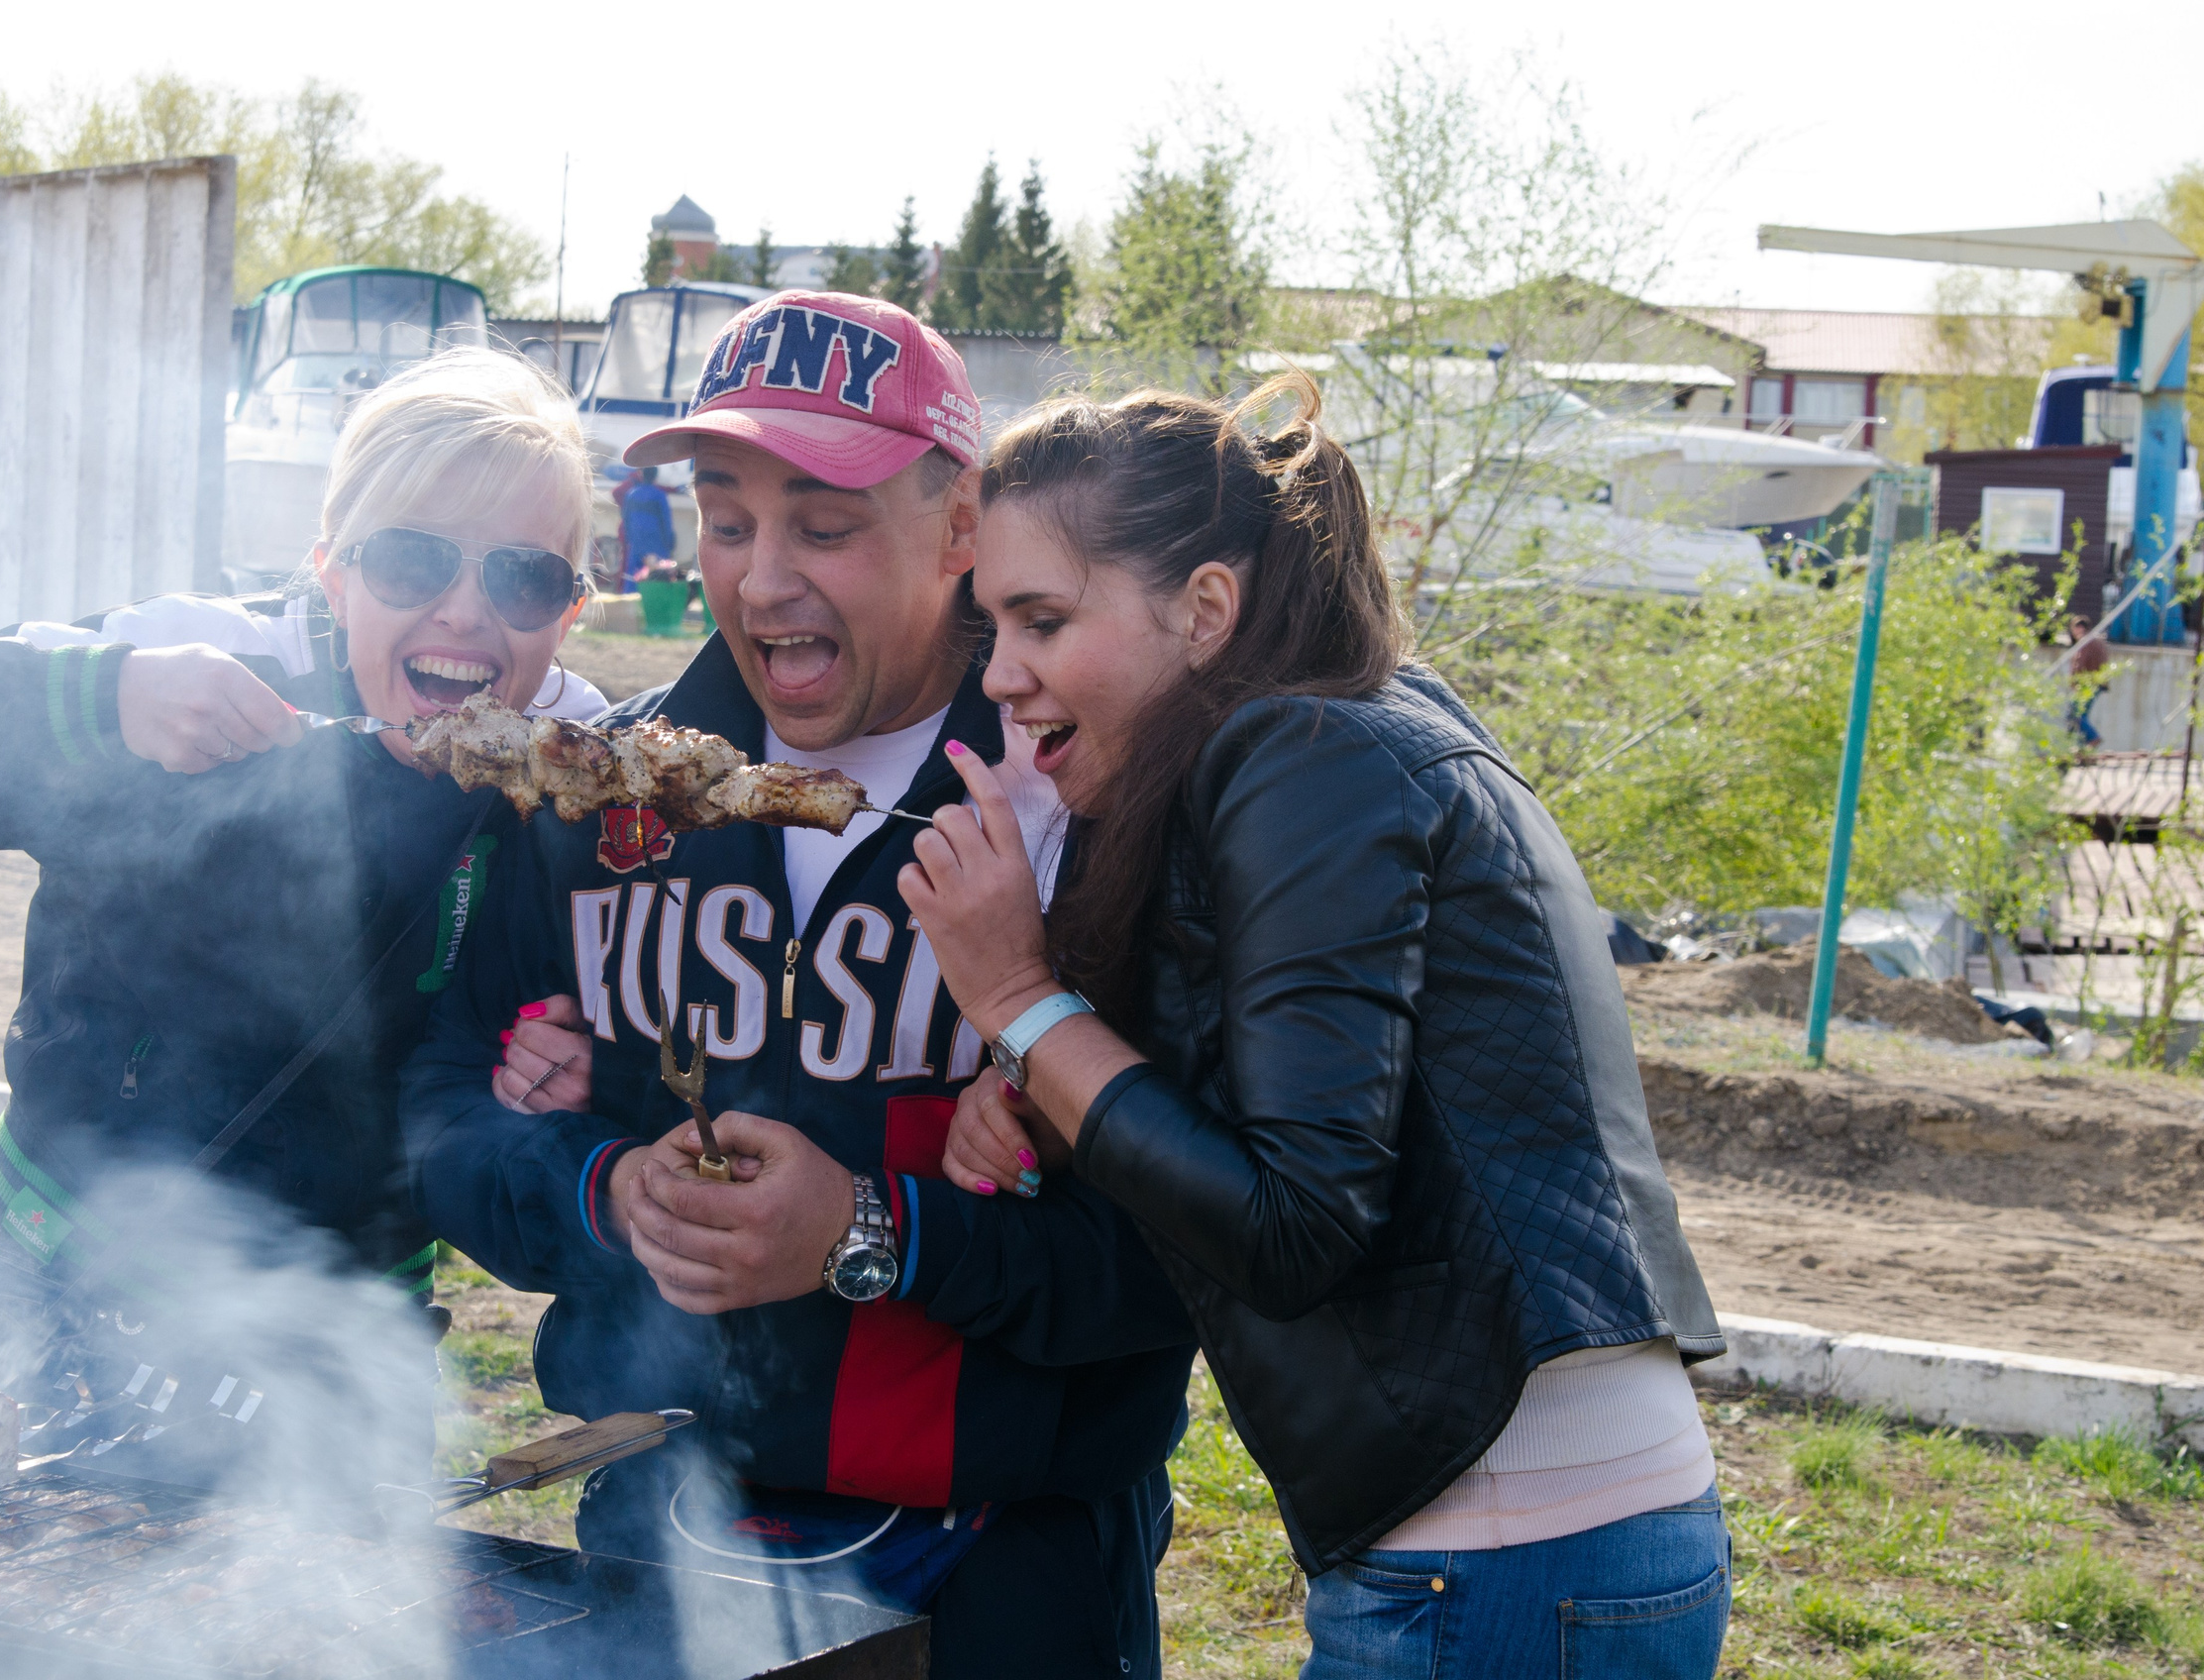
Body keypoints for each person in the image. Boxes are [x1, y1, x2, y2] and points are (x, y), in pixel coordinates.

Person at [398, 292, 1195, 1676]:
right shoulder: (603, 798)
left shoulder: (1091, 808)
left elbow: (1190, 1251)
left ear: (960, 531)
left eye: (824, 525)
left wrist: (872, 1231)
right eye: (725, 518)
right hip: (659, 1513)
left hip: (1005, 1563)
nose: (764, 579)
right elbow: (448, 1108)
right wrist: (603, 1190)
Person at [894, 377, 1732, 1680]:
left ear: (1206, 609)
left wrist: (1017, 1001)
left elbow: (1295, 1223)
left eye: (1042, 620)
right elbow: (1333, 1117)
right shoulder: (1367, 717)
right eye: (990, 625)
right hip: (1545, 1541)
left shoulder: (1302, 755)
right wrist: (1049, 1086)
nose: (1000, 675)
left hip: (1499, 1553)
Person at [0, 349, 605, 1482]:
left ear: (570, 609)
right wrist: (97, 704)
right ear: (332, 571)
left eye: (522, 579)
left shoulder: (587, 778)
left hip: (341, 1337)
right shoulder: (189, 665)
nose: (466, 613)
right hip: (52, 1281)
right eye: (413, 559)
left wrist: (540, 1080)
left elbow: (612, 1068)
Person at [618, 464, 677, 592]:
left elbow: (626, 519)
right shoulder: (660, 496)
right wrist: (670, 542)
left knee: (632, 575)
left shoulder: (631, 494)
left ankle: (630, 601)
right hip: (657, 543)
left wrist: (629, 539)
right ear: (655, 476)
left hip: (636, 542)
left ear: (641, 474)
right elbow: (666, 521)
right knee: (658, 574)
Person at [2068, 613, 2109, 747]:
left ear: (2079, 628)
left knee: (2075, 714)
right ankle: (2079, 746)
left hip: (2086, 684)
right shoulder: (2098, 641)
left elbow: (2079, 663)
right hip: (2098, 683)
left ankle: (2093, 739)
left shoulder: (2085, 641)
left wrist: (2074, 681)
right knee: (2081, 716)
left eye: (2074, 628)